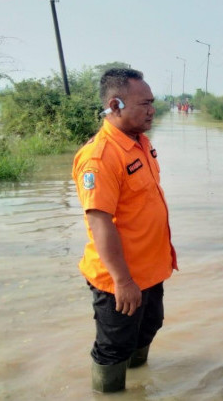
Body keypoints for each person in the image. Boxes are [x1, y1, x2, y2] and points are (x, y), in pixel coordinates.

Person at [72, 67, 178, 393]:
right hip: (120, 277)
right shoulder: (100, 157)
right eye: (144, 104)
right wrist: (123, 281)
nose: (152, 109)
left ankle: (139, 382)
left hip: (150, 269)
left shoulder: (140, 143)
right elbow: (100, 222)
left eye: (152, 102)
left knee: (149, 326)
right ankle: (110, 393)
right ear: (116, 105)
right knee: (113, 346)